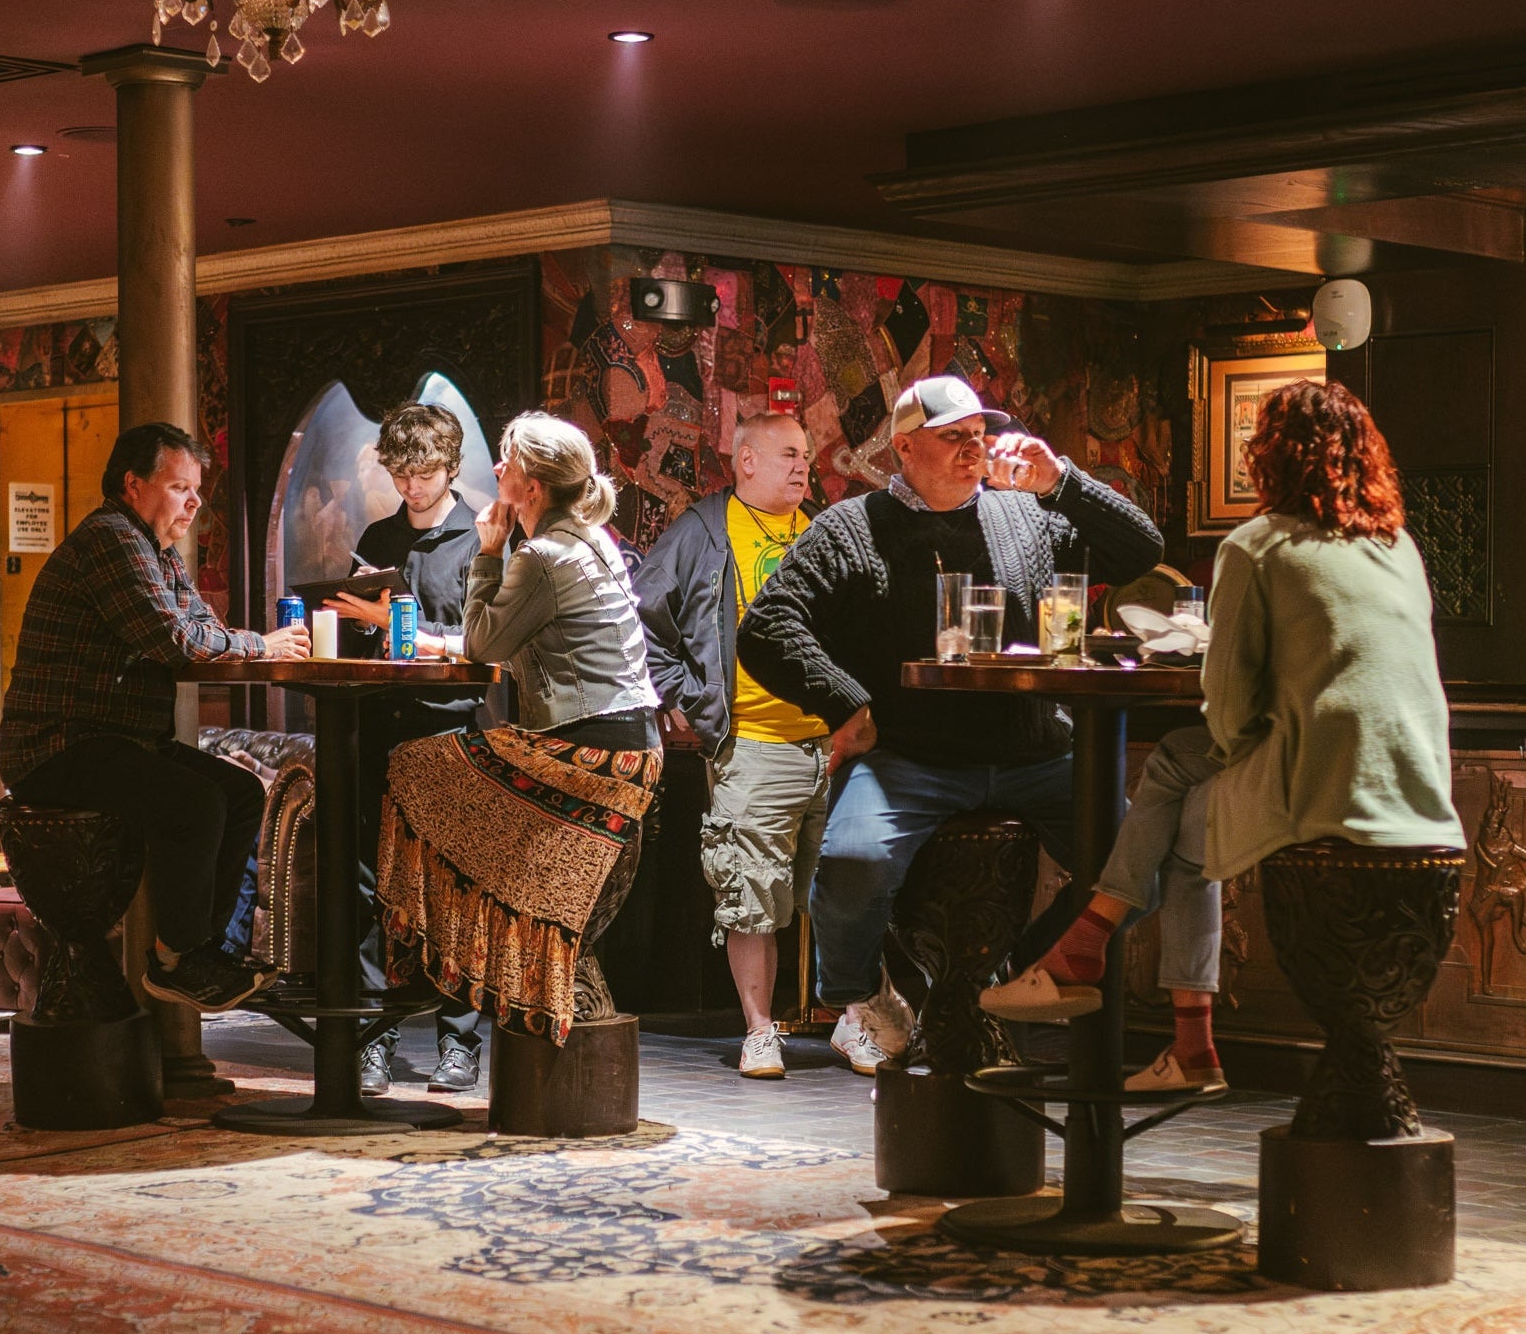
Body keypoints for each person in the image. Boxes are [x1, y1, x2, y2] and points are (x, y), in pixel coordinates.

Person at [985, 377, 1465, 1089]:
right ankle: (1181, 1041)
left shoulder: (1257, 546)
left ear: (1268, 457)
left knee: (1181, 792)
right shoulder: (1397, 547)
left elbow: (1230, 715)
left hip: (1329, 794)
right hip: (1428, 795)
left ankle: (1092, 952)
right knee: (1184, 795)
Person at [736, 374, 1164, 1073]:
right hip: (913, 755)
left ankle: (1028, 969)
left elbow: (1142, 550)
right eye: (953, 437)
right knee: (851, 863)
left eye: (979, 436)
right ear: (905, 447)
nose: (974, 449)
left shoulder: (1025, 515)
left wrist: (1060, 481)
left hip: (1034, 750)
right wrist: (847, 702)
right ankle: (856, 995)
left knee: (1143, 867)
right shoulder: (851, 527)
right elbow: (766, 628)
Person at [0, 420, 311, 1013]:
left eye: (197, 490)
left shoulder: (158, 552)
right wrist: (262, 645)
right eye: (179, 488)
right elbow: (175, 638)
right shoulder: (112, 539)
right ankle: (178, 959)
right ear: (132, 484)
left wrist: (242, 642)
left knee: (241, 792)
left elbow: (205, 631)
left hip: (118, 741)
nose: (194, 502)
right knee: (193, 803)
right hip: (59, 745)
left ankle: (196, 953)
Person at [377, 412, 661, 1045]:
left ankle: (432, 958)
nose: (496, 470)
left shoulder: (540, 554)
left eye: (506, 462)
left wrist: (484, 552)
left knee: (411, 768)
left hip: (584, 749)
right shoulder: (592, 537)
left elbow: (481, 643)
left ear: (530, 487)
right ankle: (477, 978)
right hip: (632, 743)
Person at [636, 412, 832, 1078]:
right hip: (753, 745)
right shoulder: (705, 530)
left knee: (846, 890)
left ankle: (859, 1020)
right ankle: (759, 1030)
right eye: (787, 454)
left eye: (805, 454)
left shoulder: (824, 530)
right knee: (752, 896)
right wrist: (680, 696)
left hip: (837, 747)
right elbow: (642, 617)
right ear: (745, 460)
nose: (802, 466)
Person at [323, 402, 485, 1097]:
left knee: (452, 885)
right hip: (379, 725)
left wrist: (402, 623)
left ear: (450, 467)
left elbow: (483, 640)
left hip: (448, 729)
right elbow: (358, 634)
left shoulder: (477, 538)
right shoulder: (377, 535)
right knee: (369, 887)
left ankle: (459, 1043)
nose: (413, 487)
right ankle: (372, 1042)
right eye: (401, 473)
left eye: (424, 473)